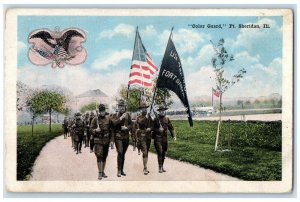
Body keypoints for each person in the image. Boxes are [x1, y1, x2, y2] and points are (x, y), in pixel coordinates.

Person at [90, 104, 113, 180]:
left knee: (104, 156)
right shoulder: (95, 119)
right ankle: (99, 172)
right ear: (99, 111)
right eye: (101, 111)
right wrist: (95, 130)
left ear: (105, 111)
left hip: (106, 140)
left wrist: (111, 141)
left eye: (103, 111)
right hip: (98, 140)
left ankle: (103, 171)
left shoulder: (108, 119)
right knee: (99, 156)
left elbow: (111, 130)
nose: (102, 112)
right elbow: (90, 129)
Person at [111, 99, 132, 177]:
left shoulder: (128, 115)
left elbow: (131, 124)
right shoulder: (115, 115)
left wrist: (126, 128)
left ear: (125, 107)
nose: (122, 108)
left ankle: (122, 170)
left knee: (123, 154)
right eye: (120, 106)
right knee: (120, 152)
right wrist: (121, 118)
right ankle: (119, 171)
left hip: (126, 137)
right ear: (118, 107)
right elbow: (113, 124)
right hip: (118, 137)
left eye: (123, 106)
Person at [153, 104, 176, 173]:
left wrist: (174, 136)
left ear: (164, 111)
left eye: (163, 111)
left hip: (164, 139)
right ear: (159, 112)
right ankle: (160, 167)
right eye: (161, 111)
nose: (162, 112)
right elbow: (152, 128)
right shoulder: (156, 119)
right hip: (157, 139)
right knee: (160, 152)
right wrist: (158, 130)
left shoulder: (167, 119)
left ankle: (162, 166)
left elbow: (171, 128)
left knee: (163, 153)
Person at [136, 102, 153, 175]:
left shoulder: (149, 117)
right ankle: (145, 168)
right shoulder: (139, 117)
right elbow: (141, 122)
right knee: (145, 152)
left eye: (146, 108)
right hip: (142, 137)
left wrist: (150, 129)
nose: (145, 110)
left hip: (148, 137)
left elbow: (152, 125)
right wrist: (146, 117)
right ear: (141, 109)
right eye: (143, 108)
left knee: (146, 152)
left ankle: (145, 166)